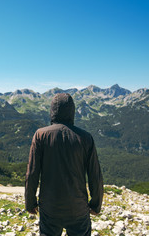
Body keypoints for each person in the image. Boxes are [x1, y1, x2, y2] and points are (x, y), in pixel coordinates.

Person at [25, 93, 104, 236]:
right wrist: (96, 205)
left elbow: (32, 173)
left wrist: (30, 203)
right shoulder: (86, 138)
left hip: (49, 207)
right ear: (72, 111)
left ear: (52, 111)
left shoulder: (40, 135)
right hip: (78, 207)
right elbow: (95, 175)